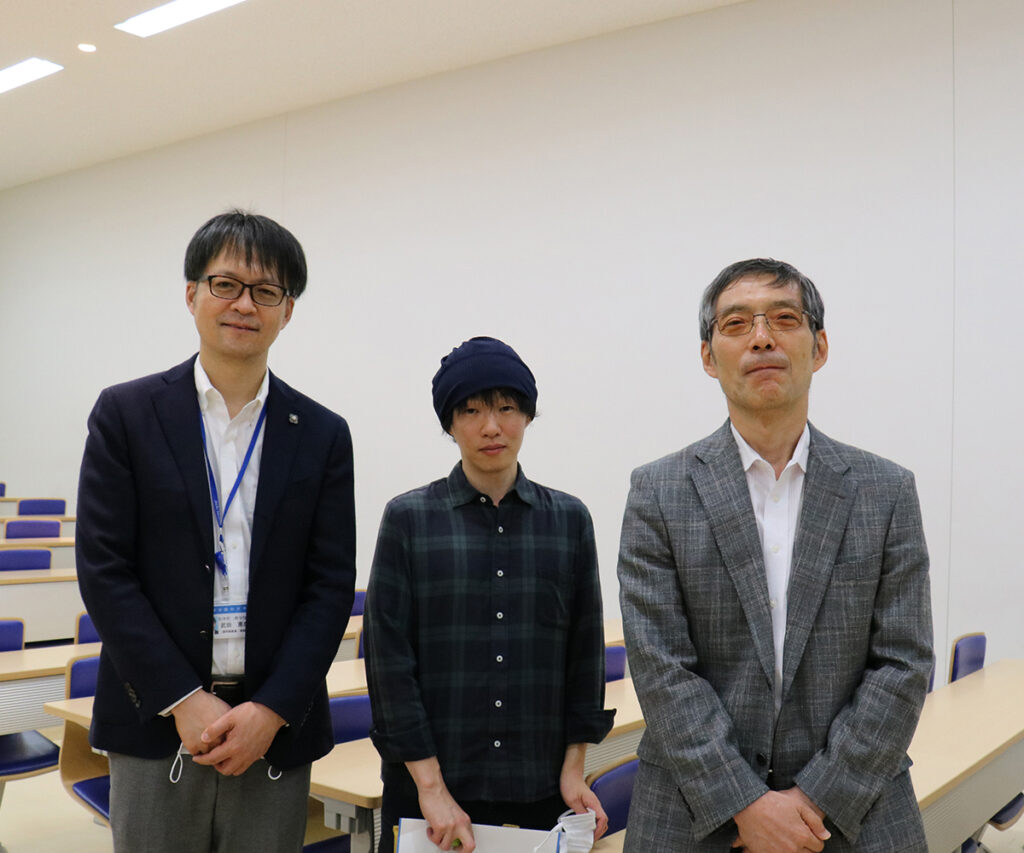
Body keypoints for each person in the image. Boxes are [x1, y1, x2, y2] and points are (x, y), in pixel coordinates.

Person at [617, 259, 933, 853]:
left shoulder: (885, 490)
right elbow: (661, 666)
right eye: (736, 323)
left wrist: (814, 799)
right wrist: (745, 803)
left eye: (784, 318)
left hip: (852, 812)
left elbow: (903, 661)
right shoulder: (658, 491)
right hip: (695, 814)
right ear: (708, 357)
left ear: (820, 347)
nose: (761, 337)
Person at [75, 210, 356, 853]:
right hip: (156, 720)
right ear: (191, 294)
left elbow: (329, 585)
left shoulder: (321, 433)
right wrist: (182, 699)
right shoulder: (127, 414)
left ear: (288, 310)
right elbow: (105, 571)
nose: (244, 304)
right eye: (225, 284)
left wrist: (273, 709)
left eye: (266, 291)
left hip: (270, 731)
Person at [365, 336, 614, 853]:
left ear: (527, 416)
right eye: (471, 410)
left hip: (540, 788)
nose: (491, 426)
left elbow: (584, 656)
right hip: (432, 794)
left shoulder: (569, 521)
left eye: (506, 408)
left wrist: (574, 770)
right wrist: (431, 788)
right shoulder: (409, 519)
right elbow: (389, 665)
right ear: (450, 424)